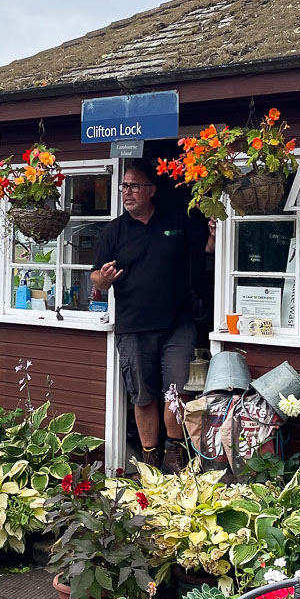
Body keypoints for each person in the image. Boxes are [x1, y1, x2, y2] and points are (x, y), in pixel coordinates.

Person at [89, 160, 214, 472]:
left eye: (134, 186)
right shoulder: (114, 230)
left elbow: (208, 251)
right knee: (143, 396)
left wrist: (215, 231)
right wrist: (104, 280)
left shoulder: (176, 221)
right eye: (124, 187)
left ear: (151, 191)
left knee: (179, 391)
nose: (127, 192)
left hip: (178, 324)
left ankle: (175, 453)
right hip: (133, 326)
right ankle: (149, 460)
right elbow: (96, 278)